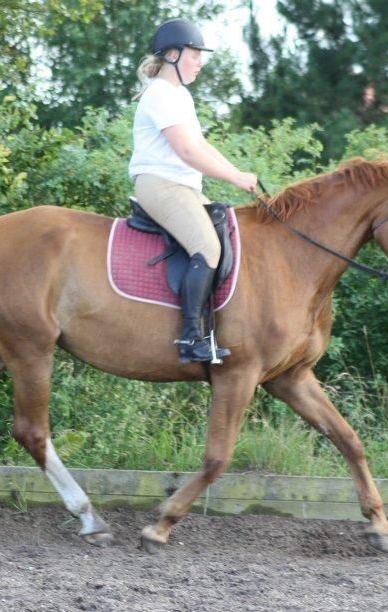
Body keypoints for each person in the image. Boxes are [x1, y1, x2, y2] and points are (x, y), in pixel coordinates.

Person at [129, 18, 258, 364]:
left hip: (182, 186)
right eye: (194, 55)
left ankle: (216, 328)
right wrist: (234, 178)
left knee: (225, 229)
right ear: (172, 55)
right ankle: (190, 338)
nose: (200, 62)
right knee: (207, 247)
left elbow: (202, 145)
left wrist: (238, 173)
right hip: (159, 184)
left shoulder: (179, 95)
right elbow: (187, 152)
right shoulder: (159, 94)